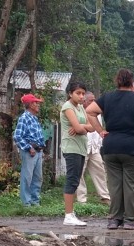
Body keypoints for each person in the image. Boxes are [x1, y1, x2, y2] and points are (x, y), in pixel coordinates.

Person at [85, 68, 134, 230]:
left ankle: (114, 219)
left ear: (117, 81)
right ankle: (130, 220)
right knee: (133, 184)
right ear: (132, 83)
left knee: (115, 184)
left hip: (111, 146)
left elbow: (90, 111)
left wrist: (100, 130)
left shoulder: (107, 98)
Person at [59, 80, 92, 227]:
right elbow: (78, 130)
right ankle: (68, 215)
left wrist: (82, 126)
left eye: (83, 94)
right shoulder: (67, 107)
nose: (81, 96)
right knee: (72, 180)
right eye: (78, 93)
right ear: (70, 93)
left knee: (76, 180)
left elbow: (91, 126)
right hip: (71, 147)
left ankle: (71, 213)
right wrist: (81, 128)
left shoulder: (80, 107)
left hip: (81, 147)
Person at [75, 92, 111, 205]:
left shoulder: (97, 114)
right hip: (82, 147)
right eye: (91, 100)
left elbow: (98, 130)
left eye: (94, 100)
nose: (93, 102)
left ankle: (105, 197)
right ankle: (81, 199)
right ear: (84, 101)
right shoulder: (78, 111)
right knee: (79, 173)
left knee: (99, 171)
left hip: (94, 148)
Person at [13, 93, 45, 207]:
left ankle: (35, 202)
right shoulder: (24, 118)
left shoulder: (34, 118)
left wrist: (41, 149)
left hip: (38, 151)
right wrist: (28, 147)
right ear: (31, 104)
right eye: (36, 103)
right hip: (29, 152)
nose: (38, 105)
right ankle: (26, 203)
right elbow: (17, 136)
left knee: (38, 177)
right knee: (27, 177)